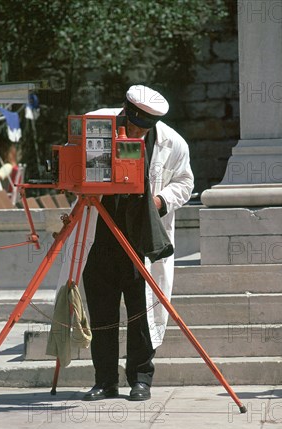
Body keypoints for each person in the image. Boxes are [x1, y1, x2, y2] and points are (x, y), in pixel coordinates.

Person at [57, 85, 194, 401]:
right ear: (124, 112)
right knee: (102, 310)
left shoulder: (173, 143)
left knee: (141, 311)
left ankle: (141, 379)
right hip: (99, 235)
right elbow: (70, 160)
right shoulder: (94, 124)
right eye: (130, 124)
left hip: (138, 237)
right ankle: (105, 380)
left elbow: (186, 183)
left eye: (141, 129)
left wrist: (158, 202)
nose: (134, 131)